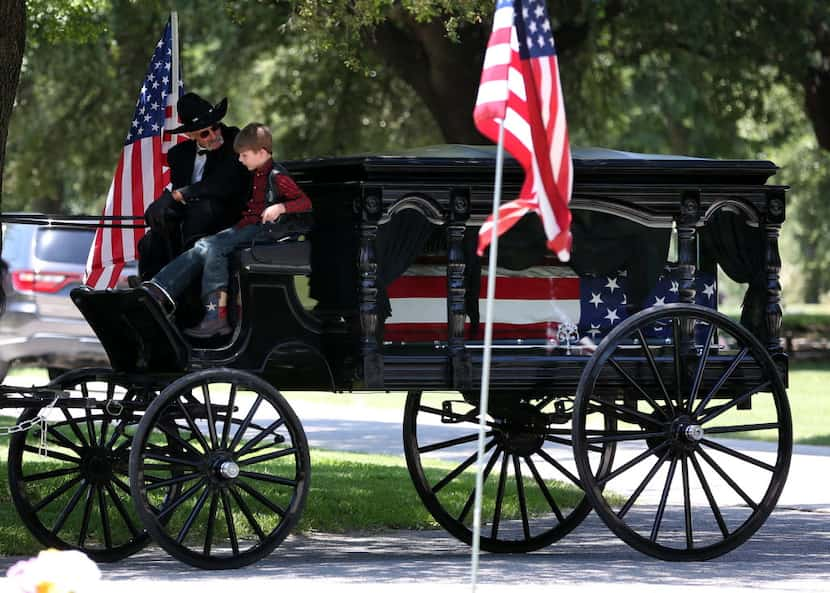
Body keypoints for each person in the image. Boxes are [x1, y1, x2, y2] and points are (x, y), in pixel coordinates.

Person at [141, 122, 312, 339]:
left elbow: (304, 202)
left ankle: (216, 317)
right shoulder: (256, 173)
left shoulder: (278, 175)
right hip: (248, 226)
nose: (240, 160)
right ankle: (159, 289)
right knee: (204, 245)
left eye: (244, 156)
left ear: (261, 153)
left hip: (267, 232)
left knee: (214, 247)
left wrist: (280, 207)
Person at [138, 92, 250, 280]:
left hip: (228, 217)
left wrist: (177, 195)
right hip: (191, 218)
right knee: (154, 231)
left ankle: (181, 284)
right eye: (205, 133)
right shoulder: (179, 155)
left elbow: (222, 184)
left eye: (215, 128)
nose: (214, 135)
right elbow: (178, 196)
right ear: (190, 135)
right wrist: (161, 207)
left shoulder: (234, 141)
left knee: (200, 211)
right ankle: (150, 285)